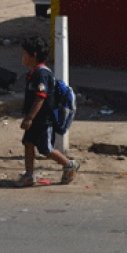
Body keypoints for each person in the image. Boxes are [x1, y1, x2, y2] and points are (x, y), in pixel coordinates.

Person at [16, 37, 81, 187]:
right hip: (35, 119)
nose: (22, 56)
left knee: (46, 149)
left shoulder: (42, 75)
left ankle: (69, 164)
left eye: (25, 53)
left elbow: (40, 98)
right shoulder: (32, 74)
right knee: (28, 143)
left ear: (34, 55)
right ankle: (29, 174)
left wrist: (29, 118)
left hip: (43, 120)